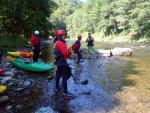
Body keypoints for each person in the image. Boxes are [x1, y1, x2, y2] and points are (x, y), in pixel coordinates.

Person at [53, 29, 73, 97]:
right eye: (64, 35)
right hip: (62, 62)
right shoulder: (61, 43)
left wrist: (67, 51)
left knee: (58, 75)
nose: (65, 36)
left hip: (58, 62)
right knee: (65, 76)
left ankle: (56, 88)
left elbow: (62, 52)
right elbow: (64, 53)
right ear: (60, 36)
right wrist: (70, 52)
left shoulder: (56, 42)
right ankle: (65, 92)